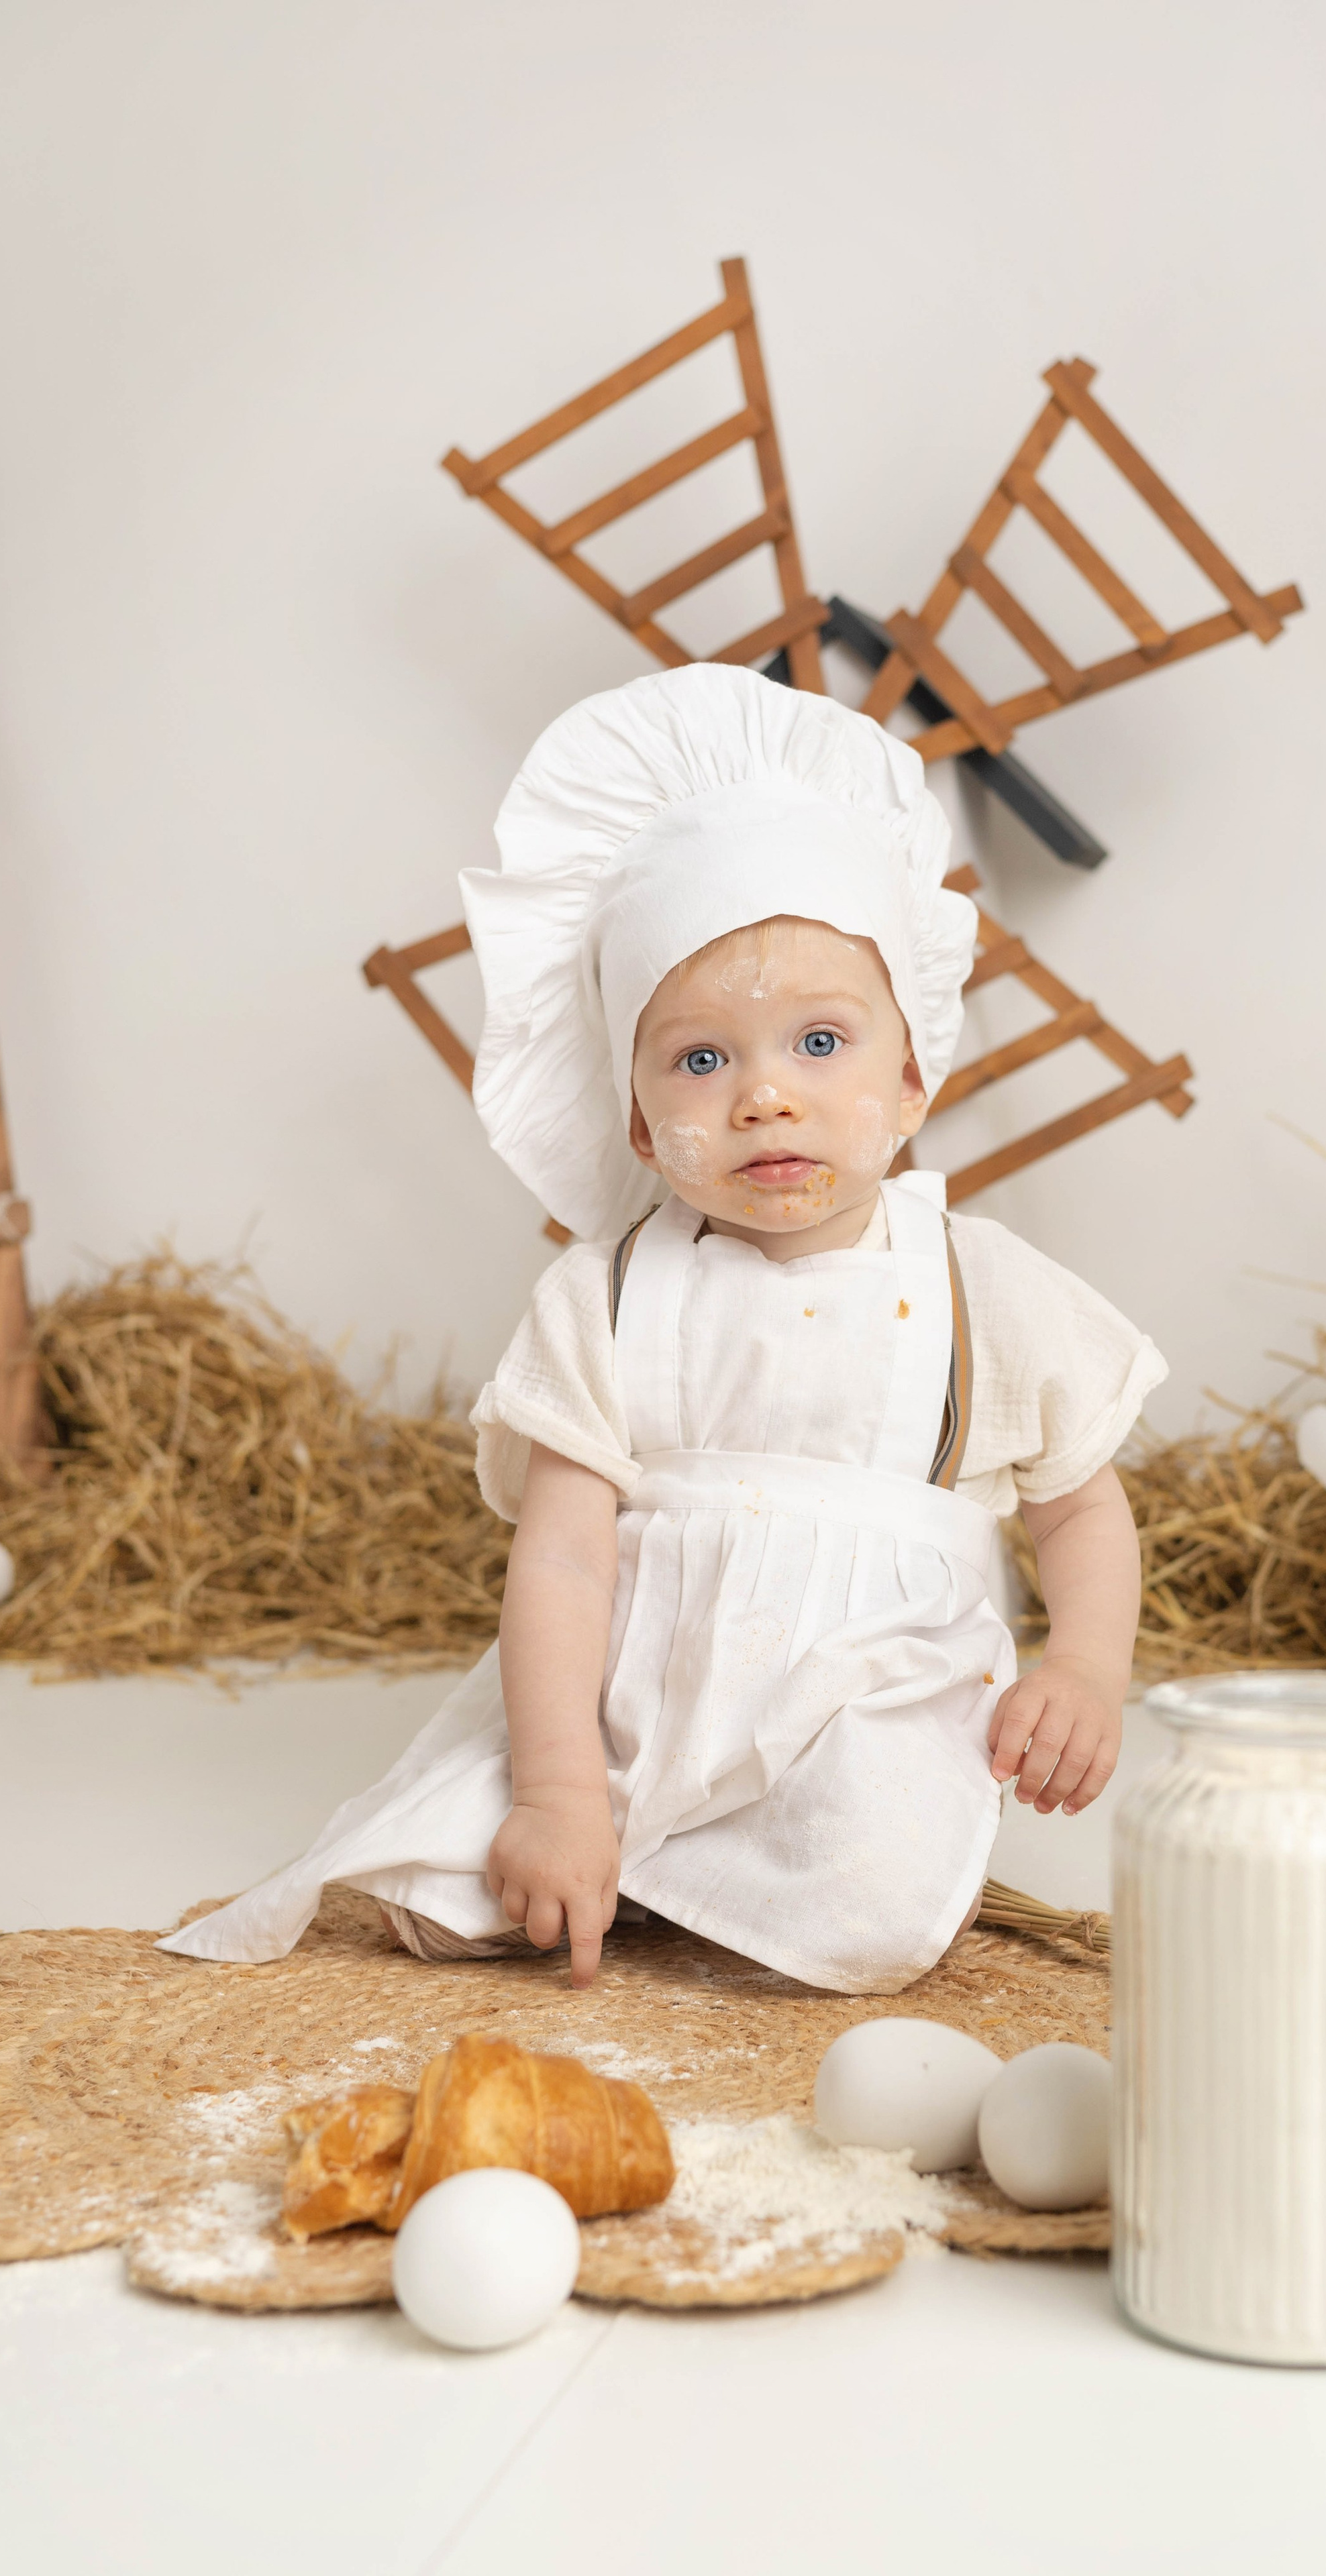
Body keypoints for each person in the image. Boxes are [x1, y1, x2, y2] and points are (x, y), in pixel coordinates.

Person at [162, 666, 1164, 1994]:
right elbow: (567, 1564)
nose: (763, 1097)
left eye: (819, 1042)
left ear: (910, 1077)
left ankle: (725, 1876)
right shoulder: (609, 1295)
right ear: (637, 1123)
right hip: (630, 1698)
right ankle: (613, 1846)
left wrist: (1083, 1667)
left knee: (867, 1895)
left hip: (856, 1702)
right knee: (437, 1892)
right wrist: (561, 1786)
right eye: (699, 1061)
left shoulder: (980, 1282)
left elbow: (1079, 1510)